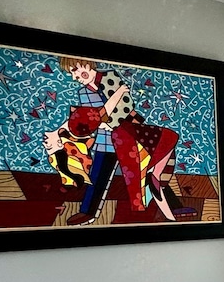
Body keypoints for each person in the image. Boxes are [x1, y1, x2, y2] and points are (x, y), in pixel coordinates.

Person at [57, 56, 185, 224]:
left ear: (86, 64)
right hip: (105, 140)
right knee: (98, 176)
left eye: (75, 70)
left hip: (129, 135)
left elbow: (126, 106)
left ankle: (174, 206)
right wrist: (102, 119)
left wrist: (107, 121)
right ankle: (88, 212)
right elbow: (89, 119)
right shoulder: (83, 93)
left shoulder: (110, 77)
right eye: (72, 74)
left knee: (150, 167)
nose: (75, 77)